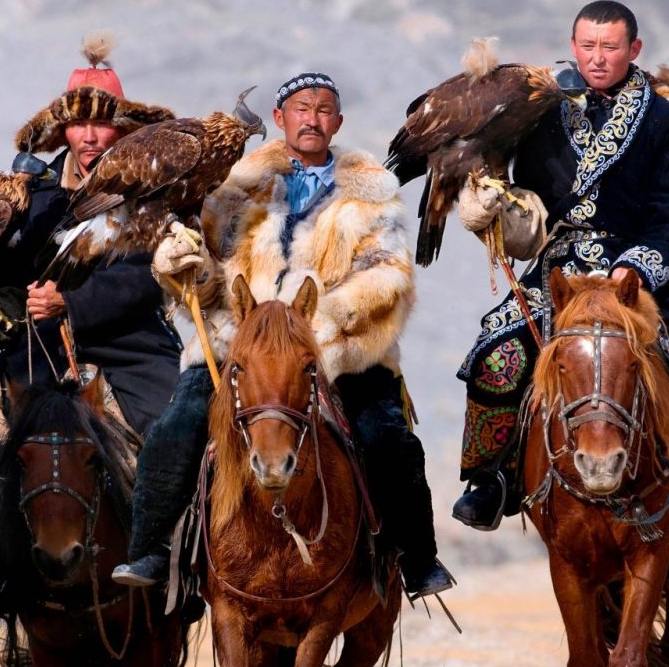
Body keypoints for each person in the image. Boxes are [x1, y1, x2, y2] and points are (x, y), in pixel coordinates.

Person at [112, 72, 454, 600]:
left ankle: (418, 558)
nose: (312, 118)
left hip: (340, 351)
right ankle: (151, 550)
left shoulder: (371, 197)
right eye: (300, 108)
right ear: (280, 119)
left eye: (323, 110)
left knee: (388, 436)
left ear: (337, 122)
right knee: (177, 424)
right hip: (238, 348)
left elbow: (388, 273)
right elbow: (212, 283)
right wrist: (184, 269)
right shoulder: (233, 191)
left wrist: (326, 323)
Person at [452, 0, 669, 530]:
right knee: (496, 355)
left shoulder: (666, 122)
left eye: (611, 47)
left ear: (634, 50)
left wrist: (635, 268)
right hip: (558, 276)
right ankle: (491, 478)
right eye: (589, 46)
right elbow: (511, 184)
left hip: (636, 280)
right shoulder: (540, 108)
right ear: (574, 47)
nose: (598, 58)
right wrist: (492, 203)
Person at [0, 36, 181, 438]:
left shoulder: (152, 190)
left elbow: (145, 277)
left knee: (176, 435)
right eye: (80, 124)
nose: (91, 137)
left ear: (123, 130)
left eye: (103, 124)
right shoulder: (33, 195)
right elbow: (13, 282)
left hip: (129, 343)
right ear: (64, 131)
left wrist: (69, 302)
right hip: (38, 344)